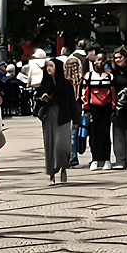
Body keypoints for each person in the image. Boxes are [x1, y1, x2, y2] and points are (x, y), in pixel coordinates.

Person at [35, 57, 75, 185]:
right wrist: (43, 99)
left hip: (63, 116)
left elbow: (71, 102)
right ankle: (51, 172)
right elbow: (37, 99)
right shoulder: (44, 83)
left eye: (51, 66)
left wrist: (77, 120)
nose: (49, 68)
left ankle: (63, 167)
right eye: (47, 66)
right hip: (49, 116)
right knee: (50, 145)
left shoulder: (66, 84)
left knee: (62, 145)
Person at [80, 50, 114, 171]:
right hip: (93, 108)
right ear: (94, 61)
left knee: (105, 134)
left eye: (103, 60)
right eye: (99, 60)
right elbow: (85, 94)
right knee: (94, 135)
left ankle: (106, 159)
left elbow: (113, 94)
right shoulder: (88, 76)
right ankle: (95, 159)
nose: (101, 62)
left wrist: (113, 109)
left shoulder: (110, 76)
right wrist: (86, 110)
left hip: (106, 108)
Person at [109, 48, 127, 170]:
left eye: (120, 57)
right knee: (118, 134)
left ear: (125, 57)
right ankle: (120, 160)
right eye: (115, 58)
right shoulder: (113, 72)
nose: (117, 60)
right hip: (117, 106)